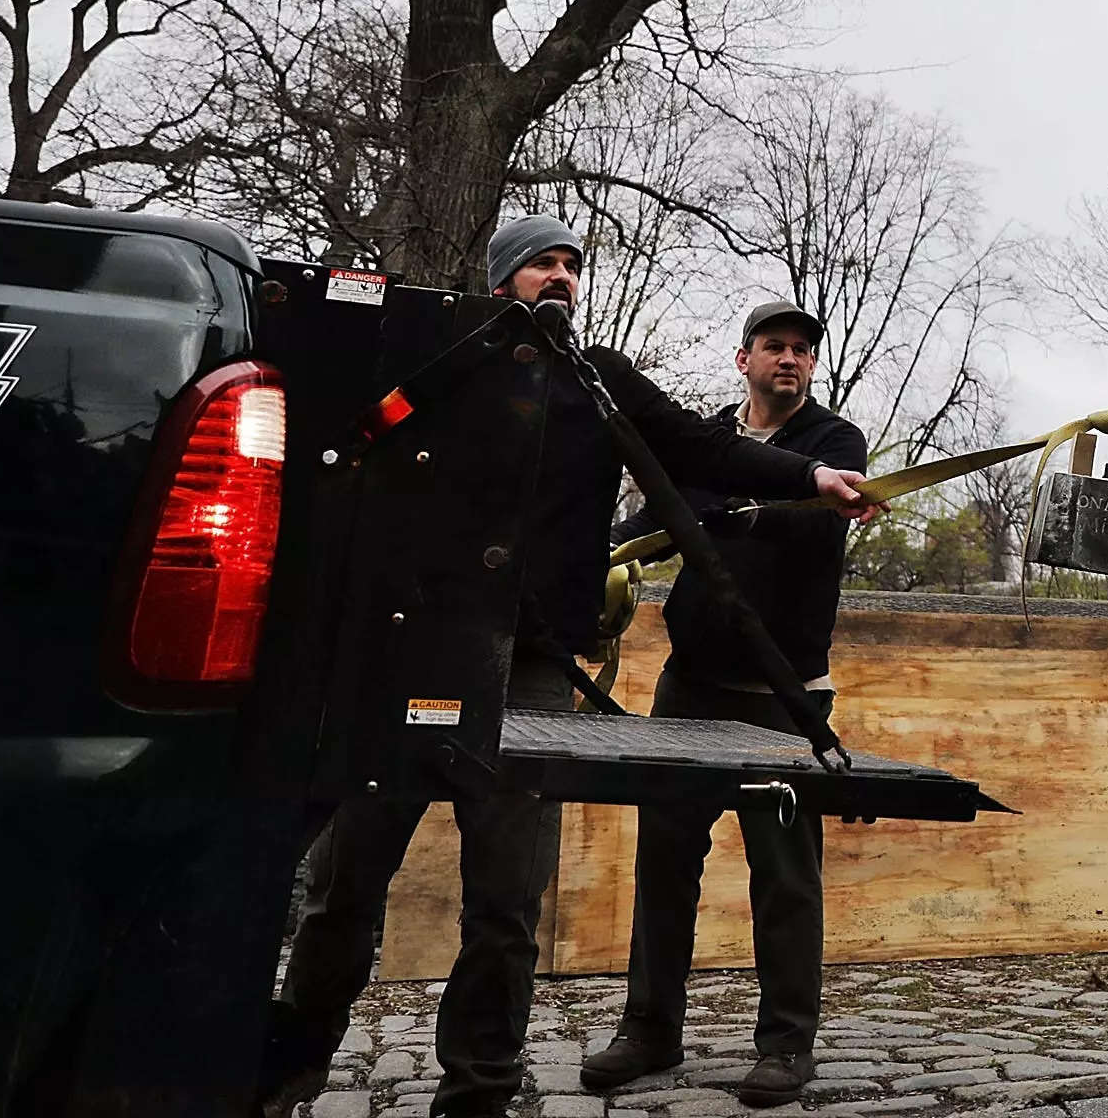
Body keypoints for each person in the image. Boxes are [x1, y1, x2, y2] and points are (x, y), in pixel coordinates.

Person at [261, 220, 876, 1118]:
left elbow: (704, 450)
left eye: (573, 266)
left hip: (535, 671)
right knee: (346, 885)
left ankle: (478, 1089)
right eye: (543, 263)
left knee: (506, 903)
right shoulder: (442, 365)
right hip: (405, 661)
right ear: (502, 279)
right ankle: (288, 1068)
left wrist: (812, 477)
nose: (562, 276)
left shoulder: (601, 381)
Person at [582, 302, 867, 1107]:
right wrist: (609, 556)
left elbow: (803, 529)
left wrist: (710, 513)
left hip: (781, 693)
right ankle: (648, 1028)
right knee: (665, 859)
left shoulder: (833, 447)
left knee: (785, 874)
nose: (790, 359)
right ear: (742, 359)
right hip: (690, 684)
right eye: (774, 346)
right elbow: (654, 520)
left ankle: (785, 1044)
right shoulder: (703, 438)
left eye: (802, 351)